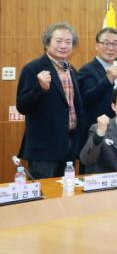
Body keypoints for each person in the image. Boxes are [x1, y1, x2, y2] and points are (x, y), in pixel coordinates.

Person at [16, 22, 85, 179]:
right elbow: (22, 106)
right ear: (47, 43)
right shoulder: (33, 68)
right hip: (44, 149)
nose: (63, 46)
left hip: (69, 144)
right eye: (58, 41)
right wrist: (39, 88)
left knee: (66, 189)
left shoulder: (71, 70)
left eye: (68, 42)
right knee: (44, 191)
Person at [77, 28, 117, 153]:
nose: (111, 48)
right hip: (95, 135)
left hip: (115, 134)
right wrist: (108, 80)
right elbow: (86, 99)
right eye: (106, 43)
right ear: (97, 46)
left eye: (115, 43)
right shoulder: (87, 70)